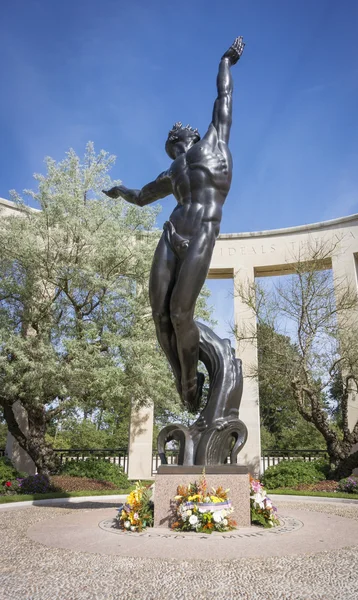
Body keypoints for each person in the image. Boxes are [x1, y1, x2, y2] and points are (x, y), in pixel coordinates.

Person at [103, 37, 245, 413]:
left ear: (189, 135)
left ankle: (189, 378)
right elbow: (142, 196)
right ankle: (182, 376)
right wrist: (119, 190)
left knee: (181, 312)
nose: (172, 133)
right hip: (171, 233)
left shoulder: (213, 144)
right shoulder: (170, 172)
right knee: (159, 316)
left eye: (176, 131)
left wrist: (225, 62)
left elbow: (223, 100)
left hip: (202, 231)